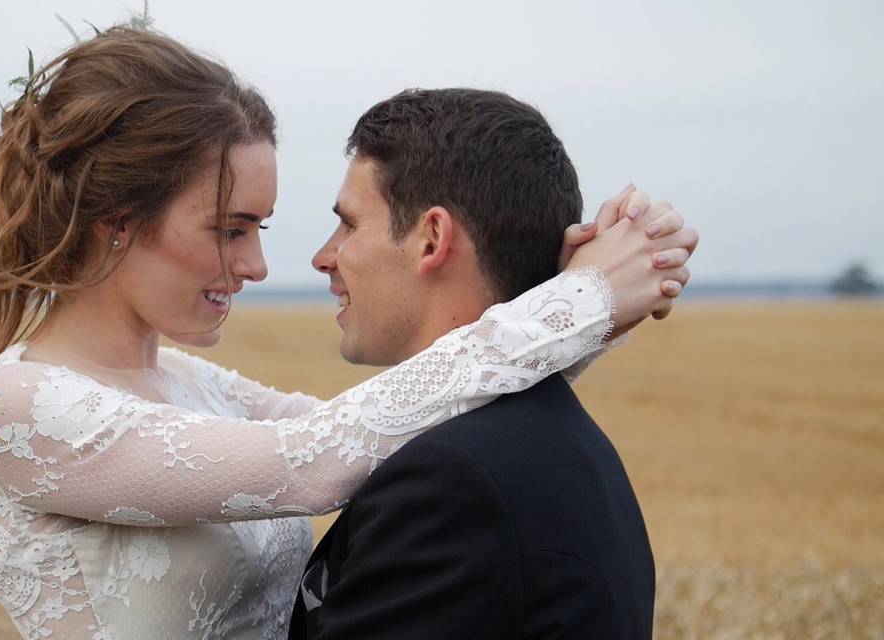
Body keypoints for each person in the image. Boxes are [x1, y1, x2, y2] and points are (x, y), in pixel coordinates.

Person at [0, 27, 693, 640]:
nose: (257, 265)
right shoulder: (16, 406)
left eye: (259, 229)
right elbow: (312, 464)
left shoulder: (191, 384)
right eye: (230, 229)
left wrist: (569, 300)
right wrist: (581, 299)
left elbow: (409, 434)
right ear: (118, 222)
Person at [289, 89, 698, 639]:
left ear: (431, 238)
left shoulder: (453, 482)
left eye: (350, 224)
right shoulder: (550, 436)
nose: (324, 256)